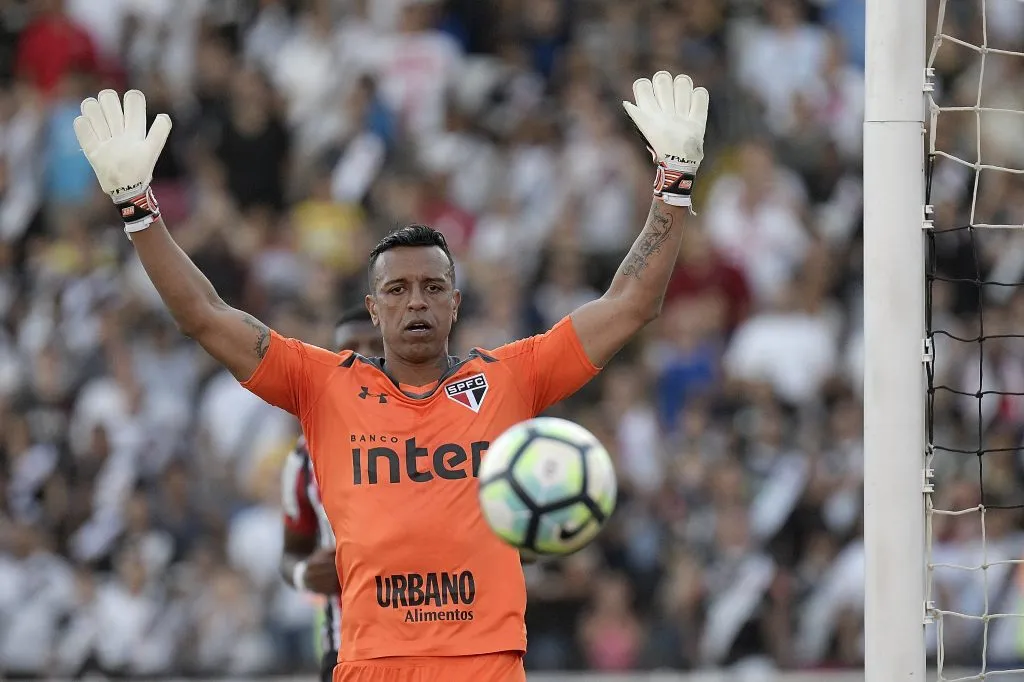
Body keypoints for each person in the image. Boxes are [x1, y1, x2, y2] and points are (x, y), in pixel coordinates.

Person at [72, 71, 709, 682]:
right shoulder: (323, 386)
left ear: (456, 304)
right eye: (398, 289)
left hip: (485, 665)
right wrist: (139, 209)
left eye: (434, 287)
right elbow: (205, 317)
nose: (417, 302)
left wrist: (672, 186)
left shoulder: (512, 377)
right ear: (373, 309)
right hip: (373, 666)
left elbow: (630, 304)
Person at [280, 307, 384, 682]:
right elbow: (290, 553)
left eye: (376, 345)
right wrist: (306, 574)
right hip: (346, 651)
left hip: (437, 641)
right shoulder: (305, 455)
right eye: (348, 347)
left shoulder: (441, 432)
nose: (363, 355)